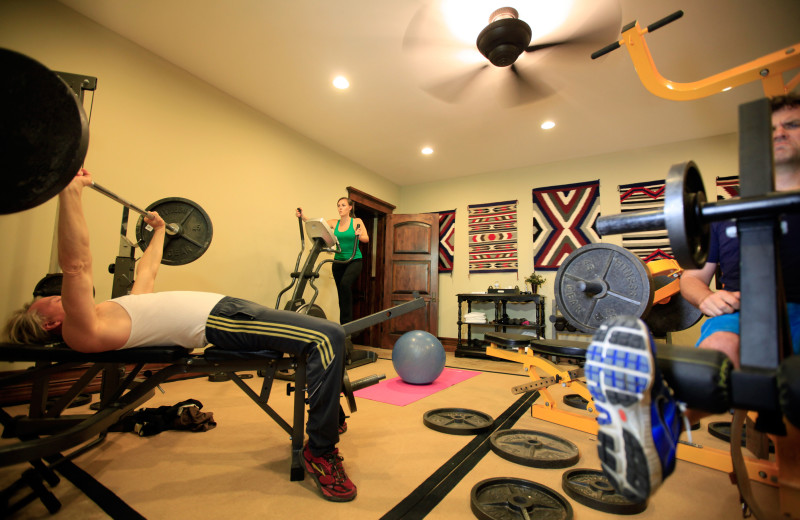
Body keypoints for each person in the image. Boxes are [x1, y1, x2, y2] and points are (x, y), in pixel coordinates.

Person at [4, 169, 356, 503]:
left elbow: (147, 273)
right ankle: (320, 451)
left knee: (329, 340)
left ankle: (330, 415)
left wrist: (159, 231)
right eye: (44, 303)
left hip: (228, 309)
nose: (51, 295)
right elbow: (76, 266)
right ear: (49, 325)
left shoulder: (110, 312)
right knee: (327, 336)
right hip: (222, 320)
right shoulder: (82, 332)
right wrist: (70, 193)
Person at [586, 94, 800, 503]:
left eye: (791, 125)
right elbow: (692, 278)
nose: (779, 134)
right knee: (720, 349)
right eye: (770, 128)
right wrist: (706, 299)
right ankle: (657, 428)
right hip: (741, 312)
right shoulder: (724, 214)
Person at [296, 198, 369, 325]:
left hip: (354, 260)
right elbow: (317, 224)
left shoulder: (356, 221)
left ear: (350, 208)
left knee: (345, 285)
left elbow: (366, 239)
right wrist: (302, 216)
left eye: (343, 205)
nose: (340, 208)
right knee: (341, 293)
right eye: (338, 206)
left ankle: (348, 325)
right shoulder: (334, 223)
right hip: (338, 262)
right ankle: (344, 326)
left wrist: (359, 234)